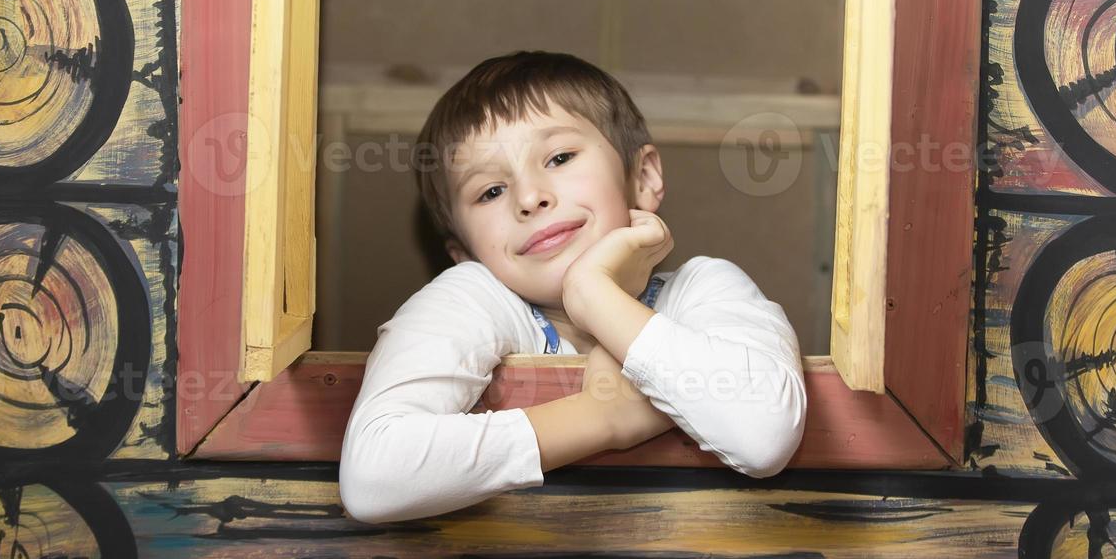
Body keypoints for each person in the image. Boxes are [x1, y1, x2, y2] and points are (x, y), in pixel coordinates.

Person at [337, 51, 808, 524]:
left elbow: (764, 435)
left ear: (642, 177)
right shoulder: (477, 296)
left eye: (560, 157)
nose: (529, 197)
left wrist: (595, 295)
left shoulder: (702, 287)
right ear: (464, 252)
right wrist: (600, 419)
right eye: (491, 191)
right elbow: (373, 477)